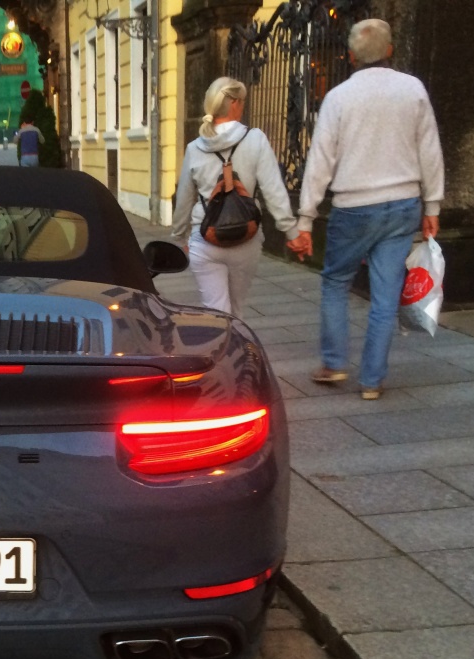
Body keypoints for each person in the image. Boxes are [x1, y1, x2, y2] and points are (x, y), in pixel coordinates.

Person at [289, 18, 444, 400]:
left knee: (336, 282)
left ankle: (334, 362)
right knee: (385, 293)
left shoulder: (339, 97)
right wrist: (433, 204)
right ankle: (372, 380)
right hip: (403, 203)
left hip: (353, 206)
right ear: (390, 50)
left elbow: (320, 160)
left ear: (351, 55)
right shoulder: (413, 90)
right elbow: (430, 150)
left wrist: (305, 217)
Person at [170, 77, 298, 319]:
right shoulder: (255, 138)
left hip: (205, 239)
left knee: (216, 311)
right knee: (236, 312)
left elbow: (184, 199)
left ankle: (220, 352)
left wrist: (180, 236)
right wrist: (291, 232)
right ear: (235, 104)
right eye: (243, 102)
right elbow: (273, 191)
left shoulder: (195, 147)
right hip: (245, 239)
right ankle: (237, 351)